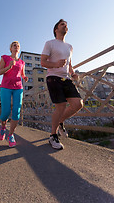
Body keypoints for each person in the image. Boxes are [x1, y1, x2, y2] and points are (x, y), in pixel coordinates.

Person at [41, 19, 83, 150]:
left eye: (66, 25)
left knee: (78, 104)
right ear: (56, 29)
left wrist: (73, 73)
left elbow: (69, 64)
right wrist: (55, 64)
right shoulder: (50, 43)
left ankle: (60, 122)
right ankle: (53, 136)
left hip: (66, 79)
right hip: (53, 78)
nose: (65, 26)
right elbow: (43, 62)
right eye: (62, 24)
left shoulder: (70, 47)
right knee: (61, 106)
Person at [0, 41, 28, 147]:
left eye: (18, 46)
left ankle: (10, 135)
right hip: (5, 87)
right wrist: (9, 67)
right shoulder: (5, 58)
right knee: (5, 112)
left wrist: (24, 77)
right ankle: (2, 128)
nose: (16, 47)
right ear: (11, 48)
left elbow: (22, 74)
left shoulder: (22, 62)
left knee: (16, 111)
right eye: (14, 45)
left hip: (18, 87)